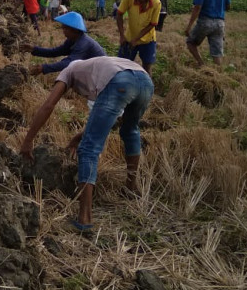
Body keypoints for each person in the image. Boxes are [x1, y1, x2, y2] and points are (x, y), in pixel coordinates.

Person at [20, 56, 154, 230]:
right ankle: (131, 187)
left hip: (120, 81)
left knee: (89, 148)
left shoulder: (67, 72)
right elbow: (113, 119)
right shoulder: (97, 69)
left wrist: (28, 140)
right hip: (145, 81)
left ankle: (84, 219)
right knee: (130, 130)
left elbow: (48, 105)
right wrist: (78, 136)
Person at [21, 12, 106, 75]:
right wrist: (34, 49)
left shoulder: (83, 44)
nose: (63, 31)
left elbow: (69, 63)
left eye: (65, 29)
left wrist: (44, 68)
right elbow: (55, 52)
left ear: (75, 30)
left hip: (102, 72)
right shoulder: (72, 40)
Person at [186, 0, 230, 67]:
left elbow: (197, 8)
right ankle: (218, 73)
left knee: (190, 42)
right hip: (220, 23)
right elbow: (228, 6)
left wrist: (189, 26)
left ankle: (201, 63)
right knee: (217, 52)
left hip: (205, 21)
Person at [116, 0, 161, 75]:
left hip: (147, 40)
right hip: (129, 38)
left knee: (147, 67)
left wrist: (136, 39)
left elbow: (152, 25)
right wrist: (122, 36)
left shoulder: (156, 3)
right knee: (122, 66)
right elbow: (119, 14)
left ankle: (147, 87)